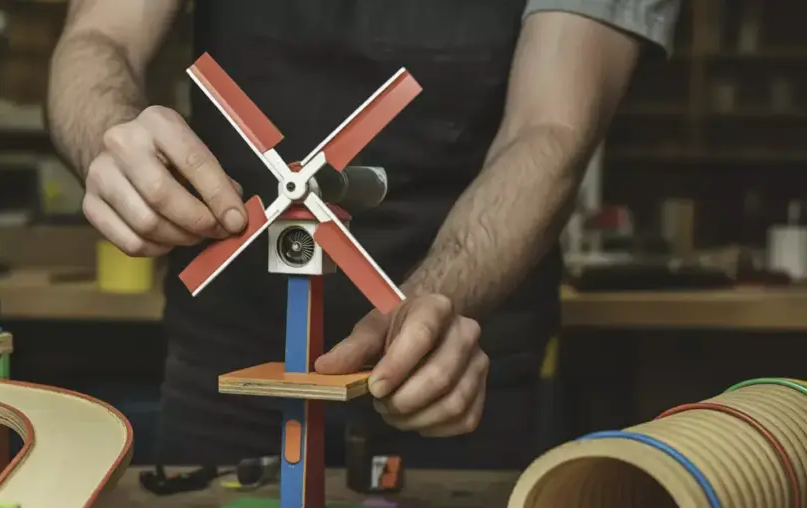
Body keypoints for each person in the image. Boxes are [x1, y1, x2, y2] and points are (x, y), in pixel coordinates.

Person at [47, 0, 680, 471]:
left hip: (457, 371)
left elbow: (549, 130)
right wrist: (111, 134)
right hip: (231, 370)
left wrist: (428, 309)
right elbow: (100, 36)